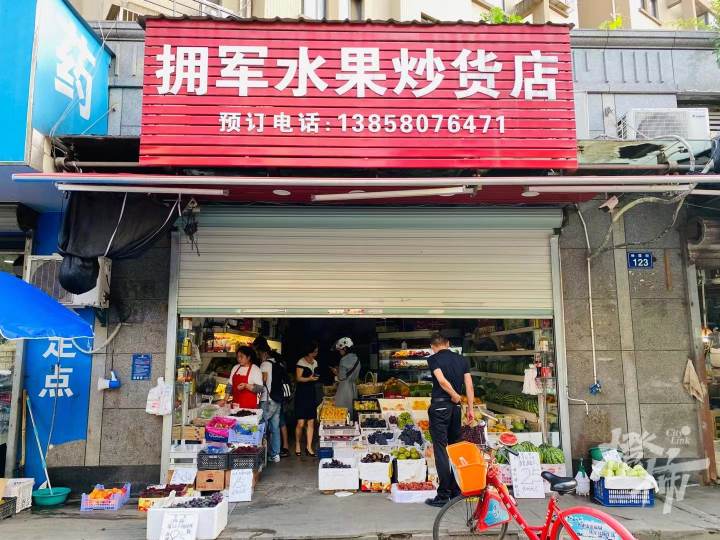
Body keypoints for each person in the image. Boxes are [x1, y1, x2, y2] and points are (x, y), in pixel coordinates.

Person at [425, 332, 474, 508]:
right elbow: (469, 385)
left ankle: (443, 495)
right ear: (448, 343)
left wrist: (454, 395)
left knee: (441, 450)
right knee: (455, 449)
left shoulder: (433, 359)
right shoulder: (462, 360)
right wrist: (470, 408)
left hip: (440, 407)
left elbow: (442, 381)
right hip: (456, 409)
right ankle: (455, 490)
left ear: (433, 347)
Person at [255, 339, 284, 463]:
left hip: (267, 399)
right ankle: (275, 454)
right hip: (277, 399)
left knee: (263, 427)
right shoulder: (277, 363)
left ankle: (263, 454)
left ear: (264, 353)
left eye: (259, 354)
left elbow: (262, 382)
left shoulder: (265, 365)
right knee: (275, 428)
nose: (258, 356)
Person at [294, 341, 320, 457]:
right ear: (309, 352)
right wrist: (309, 379)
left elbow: (315, 375)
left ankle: (309, 447)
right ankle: (297, 444)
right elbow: (298, 378)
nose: (316, 353)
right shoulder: (301, 362)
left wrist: (314, 378)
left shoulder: (315, 362)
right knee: (300, 423)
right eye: (315, 351)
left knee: (311, 421)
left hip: (311, 393)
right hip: (302, 394)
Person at [332, 337, 360, 410]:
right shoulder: (357, 358)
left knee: (343, 411)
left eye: (340, 350)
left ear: (345, 348)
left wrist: (336, 372)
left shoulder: (343, 359)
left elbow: (341, 377)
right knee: (352, 410)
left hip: (344, 389)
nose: (339, 352)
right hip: (354, 388)